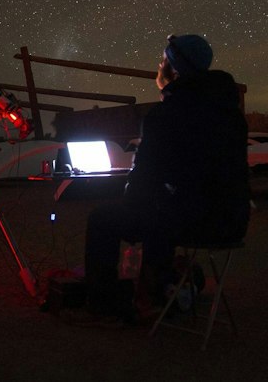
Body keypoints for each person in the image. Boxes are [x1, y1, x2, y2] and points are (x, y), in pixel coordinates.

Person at [81, 33, 250, 322]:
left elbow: (145, 181)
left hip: (191, 221)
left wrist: (131, 197)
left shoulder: (167, 115)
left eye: (163, 62)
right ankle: (167, 284)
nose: (158, 68)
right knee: (163, 209)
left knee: (103, 219)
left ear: (174, 70)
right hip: (231, 220)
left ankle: (105, 305)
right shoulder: (231, 114)